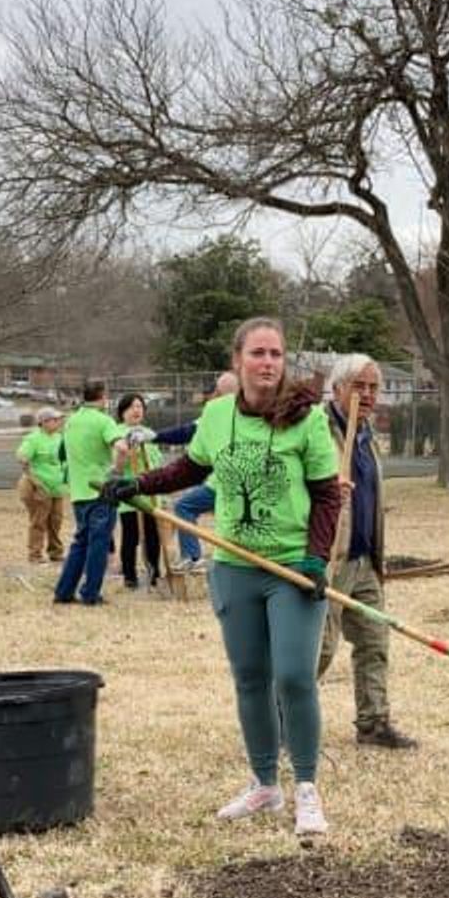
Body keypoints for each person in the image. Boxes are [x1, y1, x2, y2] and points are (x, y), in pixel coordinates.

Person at [104, 319, 341, 835]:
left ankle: (305, 787)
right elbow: (190, 469)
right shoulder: (215, 415)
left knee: (295, 677)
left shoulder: (308, 419)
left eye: (276, 353)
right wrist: (136, 484)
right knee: (250, 678)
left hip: (292, 566)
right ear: (238, 361)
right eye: (257, 353)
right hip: (234, 565)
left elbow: (327, 493)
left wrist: (318, 558)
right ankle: (264, 786)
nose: (268, 362)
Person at [316, 354, 417, 749]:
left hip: (364, 559)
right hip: (330, 560)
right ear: (337, 388)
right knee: (319, 649)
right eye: (360, 386)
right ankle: (284, 720)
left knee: (375, 641)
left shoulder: (365, 435)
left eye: (375, 387)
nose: (369, 394)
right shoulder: (319, 431)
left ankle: (373, 724)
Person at [52, 380, 131, 606]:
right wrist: (116, 470)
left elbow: (63, 454)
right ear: (103, 396)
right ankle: (90, 593)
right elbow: (122, 447)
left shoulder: (71, 421)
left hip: (78, 490)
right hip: (101, 490)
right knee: (99, 542)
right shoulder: (103, 421)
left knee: (81, 541)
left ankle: (64, 591)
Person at [154, 370, 238, 572]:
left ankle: (192, 557)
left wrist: (153, 436)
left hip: (225, 481)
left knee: (184, 506)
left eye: (215, 392)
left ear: (218, 393)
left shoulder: (216, 411)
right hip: (234, 480)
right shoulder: (256, 408)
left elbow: (184, 433)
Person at [113, 392, 164, 590]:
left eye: (140, 407)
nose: (137, 411)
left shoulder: (148, 433)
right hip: (130, 492)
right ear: (122, 412)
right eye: (132, 407)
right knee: (131, 536)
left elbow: (157, 461)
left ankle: (154, 574)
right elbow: (116, 464)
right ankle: (130, 576)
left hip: (150, 493)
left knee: (153, 535)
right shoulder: (117, 433)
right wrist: (127, 450)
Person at [15, 406, 68, 564]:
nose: (59, 422)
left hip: (57, 489)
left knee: (56, 521)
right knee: (39, 521)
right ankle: (35, 555)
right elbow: (22, 458)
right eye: (55, 419)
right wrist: (35, 482)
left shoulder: (60, 438)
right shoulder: (33, 439)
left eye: (59, 419)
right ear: (43, 422)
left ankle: (56, 553)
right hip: (39, 488)